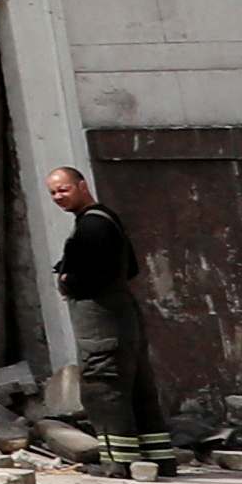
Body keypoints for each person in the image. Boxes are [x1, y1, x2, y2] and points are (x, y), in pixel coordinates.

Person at [46, 165, 153, 441]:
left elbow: (95, 273)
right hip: (123, 321)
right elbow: (130, 269)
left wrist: (69, 281)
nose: (58, 197)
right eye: (53, 193)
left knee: (103, 390)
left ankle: (118, 458)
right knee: (138, 391)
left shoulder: (92, 226)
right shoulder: (107, 219)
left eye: (64, 189)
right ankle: (155, 455)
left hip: (102, 328)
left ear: (83, 186)